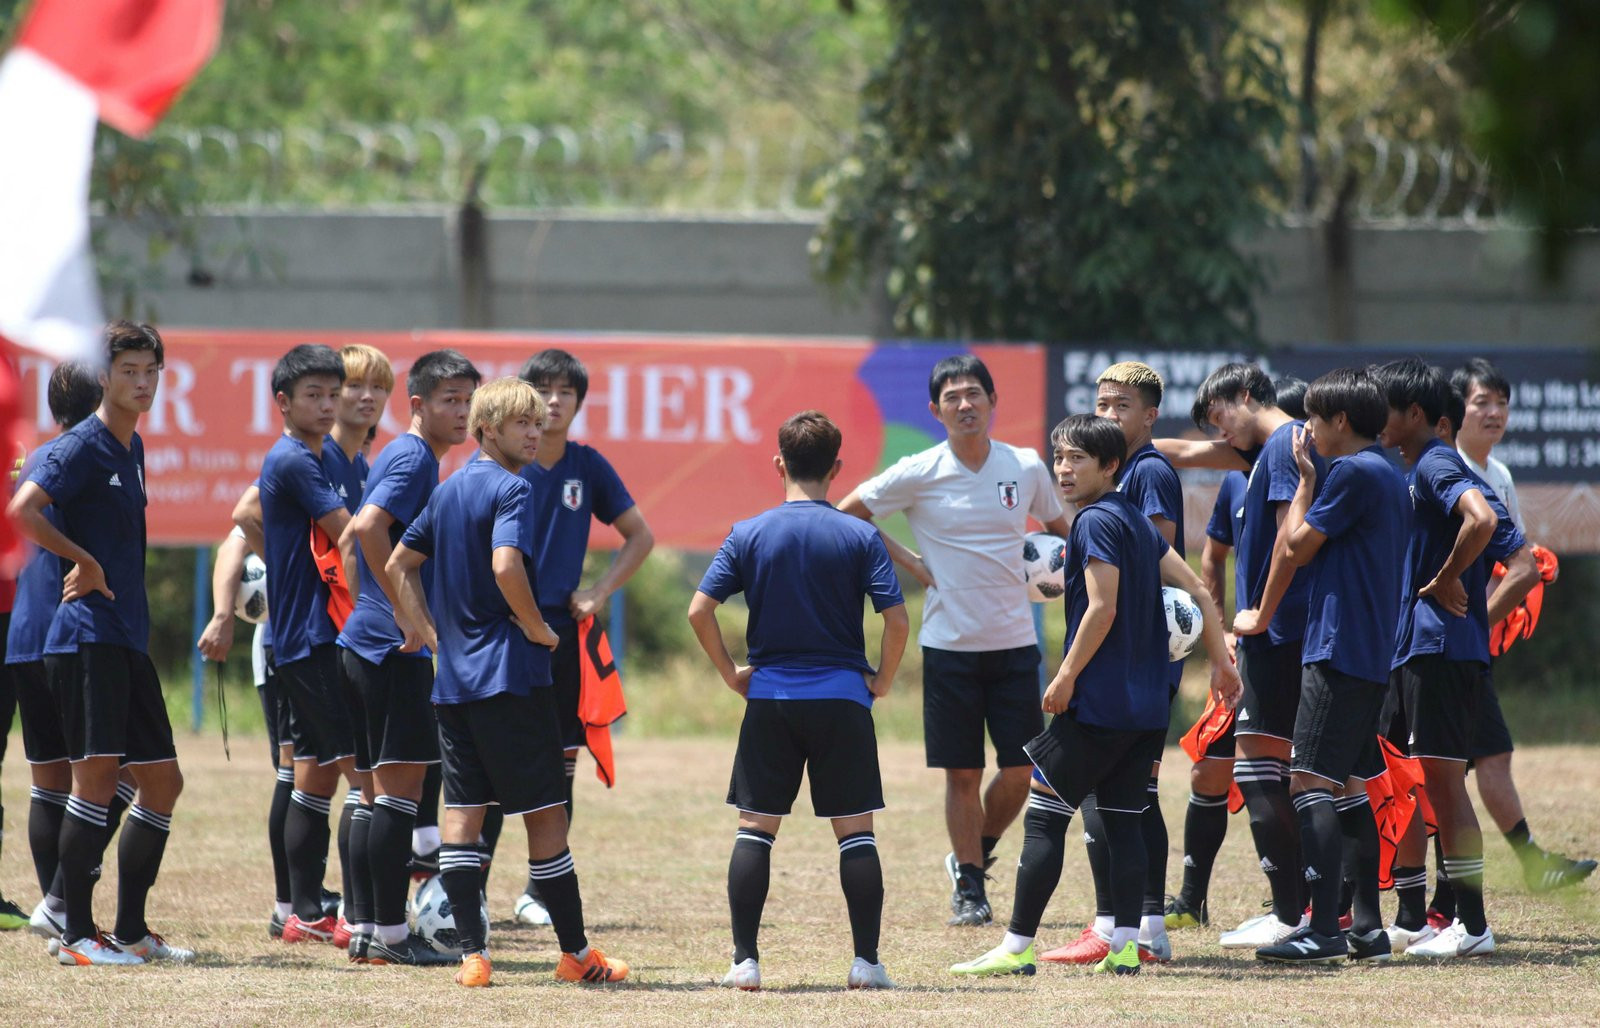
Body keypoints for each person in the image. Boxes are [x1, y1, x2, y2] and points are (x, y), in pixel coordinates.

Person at [949, 415, 1239, 978]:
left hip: (1099, 704)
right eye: (1059, 457)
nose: (1063, 469)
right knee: (1124, 822)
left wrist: (1065, 676)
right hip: (1146, 707)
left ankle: (1015, 948)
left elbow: (1102, 608)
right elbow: (1200, 593)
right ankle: (1126, 947)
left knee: (1043, 817)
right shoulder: (1135, 520)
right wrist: (1221, 665)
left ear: (1110, 466)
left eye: (1077, 459)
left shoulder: (1095, 521)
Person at [387, 377, 630, 988]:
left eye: (538, 423)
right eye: (522, 423)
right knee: (546, 814)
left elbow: (397, 563)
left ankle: (473, 956)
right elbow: (504, 564)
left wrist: (430, 634)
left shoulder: (448, 490)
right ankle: (577, 956)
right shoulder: (513, 487)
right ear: (488, 429)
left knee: (463, 816)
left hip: (454, 684)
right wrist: (538, 628)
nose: (535, 433)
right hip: (511, 678)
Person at [839, 354, 1070, 928]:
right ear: (935, 410)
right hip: (949, 646)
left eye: (974, 394)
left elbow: (1063, 530)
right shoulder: (919, 470)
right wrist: (912, 562)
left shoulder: (1025, 466)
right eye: (952, 398)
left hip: (1015, 644)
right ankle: (970, 884)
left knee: (1021, 771)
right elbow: (849, 513)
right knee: (962, 774)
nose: (965, 405)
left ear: (993, 402)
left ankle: (973, 854)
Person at [688, 410, 909, 991]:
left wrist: (731, 673)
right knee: (855, 833)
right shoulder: (860, 535)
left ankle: (745, 964)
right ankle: (866, 964)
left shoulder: (748, 532)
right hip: (843, 700)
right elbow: (897, 620)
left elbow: (699, 610)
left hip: (771, 700)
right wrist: (883, 680)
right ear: (836, 468)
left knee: (755, 829)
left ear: (778, 464)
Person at [8, 323, 192, 965]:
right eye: (128, 371)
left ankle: (131, 930)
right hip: (85, 637)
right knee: (93, 782)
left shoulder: (131, 445)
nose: (142, 382)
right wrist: (82, 560)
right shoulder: (81, 443)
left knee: (162, 781)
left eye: (151, 371)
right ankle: (75, 934)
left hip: (125, 637)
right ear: (104, 378)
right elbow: (23, 509)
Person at [1153, 364, 1324, 949]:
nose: (1219, 433)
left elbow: (1289, 543)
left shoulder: (1284, 445)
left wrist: (1261, 613)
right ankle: (1307, 910)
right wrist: (1114, 440)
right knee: (1279, 774)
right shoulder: (1261, 454)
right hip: (1268, 637)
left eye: (1219, 416)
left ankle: (1293, 913)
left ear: (1246, 396)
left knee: (1263, 773)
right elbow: (1185, 452)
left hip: (1280, 635)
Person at [1251, 368, 1410, 964]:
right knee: (1348, 786)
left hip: (1338, 648)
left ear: (1340, 421)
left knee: (1308, 781)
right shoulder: (1386, 472)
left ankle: (1322, 929)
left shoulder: (1350, 471)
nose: (1308, 429)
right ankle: (1366, 928)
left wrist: (1304, 483)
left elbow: (1293, 548)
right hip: (1369, 652)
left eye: (1314, 418)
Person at [338, 349, 479, 964]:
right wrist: (402, 611)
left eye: (468, 400)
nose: (462, 411)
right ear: (418, 404)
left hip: (365, 645)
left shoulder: (404, 454)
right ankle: (392, 937)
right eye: (450, 400)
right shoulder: (415, 457)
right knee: (400, 793)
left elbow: (352, 539)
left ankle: (367, 928)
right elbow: (369, 528)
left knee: (373, 796)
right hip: (391, 650)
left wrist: (368, 608)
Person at [1043, 361, 1184, 965]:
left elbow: (1156, 567)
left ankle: (1136, 926)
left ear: (1148, 417)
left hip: (1128, 667)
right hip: (1126, 665)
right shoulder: (1115, 487)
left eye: (1120, 406)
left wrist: (1071, 671)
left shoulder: (1143, 475)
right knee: (1123, 800)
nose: (1107, 414)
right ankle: (1131, 928)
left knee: (1120, 801)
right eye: (1101, 404)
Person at [1373, 357, 1513, 959]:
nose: (1375, 417)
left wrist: (1447, 577)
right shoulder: (1418, 469)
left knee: (1444, 786)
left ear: (1415, 414)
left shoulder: (1433, 461)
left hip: (1441, 649)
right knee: (1410, 783)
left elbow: (1482, 520)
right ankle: (1414, 918)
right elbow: (1512, 545)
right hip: (1415, 649)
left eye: (1383, 407)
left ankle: (1473, 925)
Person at [511, 349, 655, 927]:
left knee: (561, 764)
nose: (553, 401)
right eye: (543, 390)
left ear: (578, 402)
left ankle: (538, 890)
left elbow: (640, 536)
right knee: (494, 763)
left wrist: (599, 591)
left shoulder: (587, 466)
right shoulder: (503, 464)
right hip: (504, 633)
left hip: (562, 635)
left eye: (565, 392)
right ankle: (458, 894)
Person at [1446, 358, 1594, 894]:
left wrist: (1529, 573)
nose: (1494, 413)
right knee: (1437, 769)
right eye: (1481, 402)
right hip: (1439, 642)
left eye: (1502, 403)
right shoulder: (1445, 469)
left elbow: (1512, 559)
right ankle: (1411, 893)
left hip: (1471, 645)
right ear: (1455, 410)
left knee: (1488, 754)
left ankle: (1527, 864)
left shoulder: (1500, 476)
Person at [249, 343, 361, 945]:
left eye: (331, 393)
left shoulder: (315, 456)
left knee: (314, 776)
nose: (326, 404)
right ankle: (371, 917)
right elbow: (351, 535)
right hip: (310, 637)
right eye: (312, 394)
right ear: (283, 402)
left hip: (307, 635)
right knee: (362, 774)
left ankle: (306, 911)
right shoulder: (294, 459)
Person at [9, 362, 123, 945]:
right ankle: (61, 899)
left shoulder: (35, 457)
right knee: (120, 774)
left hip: (24, 633)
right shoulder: (88, 454)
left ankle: (54, 903)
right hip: (67, 634)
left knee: (48, 780)